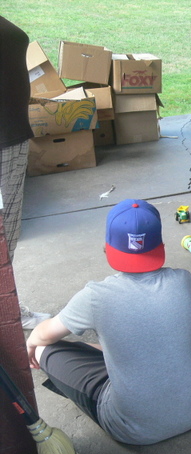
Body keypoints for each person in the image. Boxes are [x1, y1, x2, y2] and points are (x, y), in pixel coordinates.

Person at [26, 199, 191, 445]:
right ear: (160, 246)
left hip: (134, 429)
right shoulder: (183, 280)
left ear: (107, 248)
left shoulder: (95, 297)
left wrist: (30, 343)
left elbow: (44, 334)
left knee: (45, 349)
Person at [0, 16, 50, 329]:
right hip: (4, 140)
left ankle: (6, 306)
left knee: (8, 232)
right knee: (5, 233)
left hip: (11, 135)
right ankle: (6, 312)